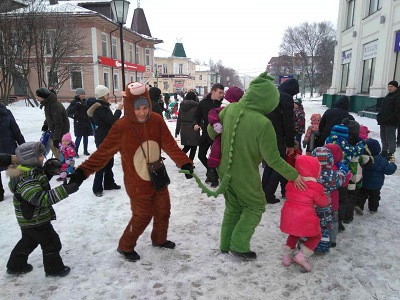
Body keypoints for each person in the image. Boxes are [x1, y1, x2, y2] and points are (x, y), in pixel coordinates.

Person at [68, 82, 193, 262]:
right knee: (142, 216)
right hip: (137, 181)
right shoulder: (121, 127)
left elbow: (169, 144)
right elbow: (102, 153)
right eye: (137, 109)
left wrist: (185, 163)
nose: (142, 112)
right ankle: (125, 246)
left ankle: (159, 239)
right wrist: (81, 173)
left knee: (163, 210)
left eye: (145, 107)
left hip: (157, 175)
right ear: (129, 107)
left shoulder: (157, 120)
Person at [207, 72, 305, 260]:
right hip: (244, 172)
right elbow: (274, 159)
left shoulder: (229, 110)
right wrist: (294, 175)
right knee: (255, 205)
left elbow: (212, 133)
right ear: (268, 100)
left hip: (224, 169)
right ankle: (239, 245)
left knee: (233, 207)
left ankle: (225, 243)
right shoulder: (263, 123)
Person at [6, 141, 79, 276]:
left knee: (28, 241)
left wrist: (47, 172)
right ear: (30, 159)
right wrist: (65, 190)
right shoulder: (27, 179)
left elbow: (39, 182)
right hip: (35, 218)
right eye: (39, 155)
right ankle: (54, 269)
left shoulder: (29, 171)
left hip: (29, 218)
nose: (43, 157)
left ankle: (15, 265)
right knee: (51, 242)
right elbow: (40, 199)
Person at [280, 155, 329, 272]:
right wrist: (327, 198)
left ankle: (286, 257)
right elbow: (323, 203)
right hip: (305, 217)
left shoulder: (291, 183)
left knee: (293, 233)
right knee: (317, 235)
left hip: (289, 216)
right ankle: (302, 256)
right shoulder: (316, 187)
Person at [262, 78, 298, 204]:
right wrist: (290, 144)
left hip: (265, 133)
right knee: (279, 164)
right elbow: (288, 122)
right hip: (277, 136)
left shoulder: (272, 94)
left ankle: (263, 191)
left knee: (270, 163)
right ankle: (268, 194)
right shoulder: (286, 98)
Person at [87, 85, 123, 197]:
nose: (109, 95)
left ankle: (108, 183)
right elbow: (111, 121)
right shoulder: (100, 108)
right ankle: (97, 188)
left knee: (109, 162)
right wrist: (118, 110)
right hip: (103, 138)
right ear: (103, 95)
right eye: (107, 94)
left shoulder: (102, 106)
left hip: (106, 137)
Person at [311, 146, 348, 252]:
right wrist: (343, 170)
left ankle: (308, 241)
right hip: (326, 207)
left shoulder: (310, 173)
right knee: (326, 225)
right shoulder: (331, 175)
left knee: (312, 223)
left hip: (311, 205)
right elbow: (341, 179)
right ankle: (326, 243)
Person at [207, 86, 244, 182]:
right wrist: (216, 123)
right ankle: (212, 168)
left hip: (232, 137)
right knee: (217, 148)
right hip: (223, 134)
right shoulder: (225, 107)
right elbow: (212, 113)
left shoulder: (237, 109)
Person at [193, 83, 224, 186]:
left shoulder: (222, 105)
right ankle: (212, 173)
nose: (221, 95)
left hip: (217, 136)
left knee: (215, 157)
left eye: (222, 93)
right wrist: (196, 124)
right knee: (201, 155)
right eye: (220, 92)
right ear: (213, 91)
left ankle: (213, 177)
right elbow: (197, 115)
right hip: (206, 134)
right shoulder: (203, 103)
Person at [355, 138, 397, 214]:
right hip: (376, 185)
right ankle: (373, 208)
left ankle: (359, 205)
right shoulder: (382, 160)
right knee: (374, 197)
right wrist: (392, 164)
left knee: (362, 195)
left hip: (364, 182)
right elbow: (389, 170)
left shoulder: (363, 159)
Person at [0, 102, 25, 201]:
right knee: (13, 166)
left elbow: (16, 131)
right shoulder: (6, 112)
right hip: (9, 146)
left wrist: (23, 146)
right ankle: (17, 189)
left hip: (9, 146)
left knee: (13, 166)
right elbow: (16, 132)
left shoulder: (6, 112)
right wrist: (23, 145)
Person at [36, 88, 69, 160]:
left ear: (43, 97)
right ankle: (60, 164)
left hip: (62, 132)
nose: (37, 98)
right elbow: (49, 116)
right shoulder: (48, 103)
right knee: (52, 146)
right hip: (55, 131)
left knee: (58, 149)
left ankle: (64, 166)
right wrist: (46, 124)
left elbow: (59, 124)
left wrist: (56, 139)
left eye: (38, 96)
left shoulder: (54, 106)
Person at [376, 81, 400, 160]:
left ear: (396, 87)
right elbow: (383, 108)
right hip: (383, 120)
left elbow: (397, 110)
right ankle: (384, 150)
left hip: (391, 121)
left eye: (391, 86)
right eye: (388, 86)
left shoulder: (397, 96)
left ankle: (391, 152)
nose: (389, 88)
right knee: (383, 136)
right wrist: (379, 116)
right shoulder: (388, 96)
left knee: (390, 136)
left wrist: (390, 118)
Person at [175, 91, 200, 161]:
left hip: (183, 128)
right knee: (193, 147)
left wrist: (177, 130)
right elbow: (199, 118)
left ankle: (180, 160)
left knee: (187, 146)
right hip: (193, 127)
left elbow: (179, 118)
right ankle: (189, 162)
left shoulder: (182, 106)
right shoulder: (197, 106)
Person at [67, 88, 93, 157]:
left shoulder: (86, 102)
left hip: (86, 121)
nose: (83, 95)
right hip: (79, 122)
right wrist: (75, 116)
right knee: (79, 137)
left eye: (84, 94)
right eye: (81, 94)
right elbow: (69, 112)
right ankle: (75, 151)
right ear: (78, 95)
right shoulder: (74, 102)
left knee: (86, 136)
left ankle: (85, 150)